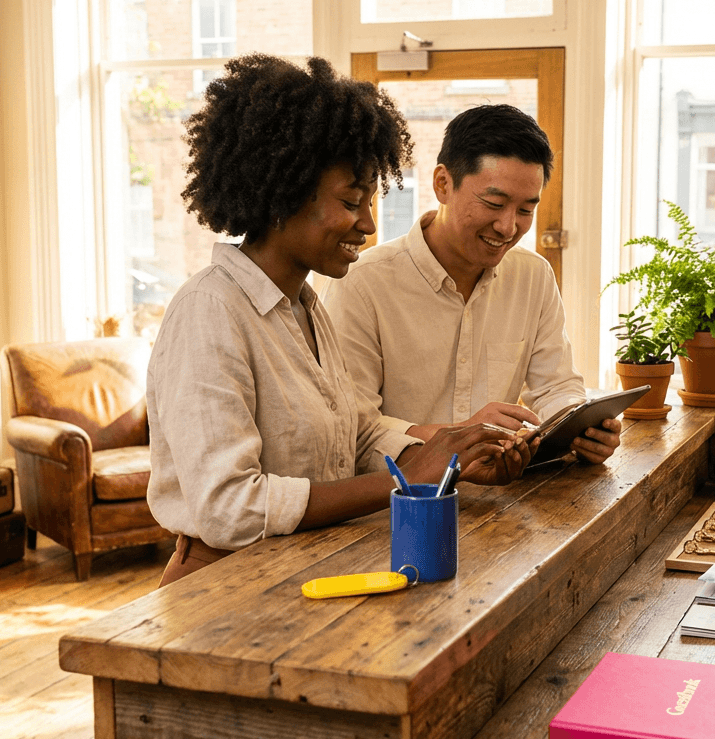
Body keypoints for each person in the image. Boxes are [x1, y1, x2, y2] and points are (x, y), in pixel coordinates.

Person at [147, 55, 531, 588]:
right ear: (282, 195)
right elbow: (230, 507)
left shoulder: (306, 308)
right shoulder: (209, 311)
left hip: (298, 575)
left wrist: (450, 457)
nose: (369, 224)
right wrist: (404, 484)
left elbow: (352, 436)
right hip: (218, 586)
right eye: (352, 202)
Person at [325, 104, 621, 464]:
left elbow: (555, 385)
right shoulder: (362, 283)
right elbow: (352, 427)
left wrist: (580, 426)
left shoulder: (533, 276)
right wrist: (460, 438)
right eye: (494, 203)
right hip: (399, 503)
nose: (509, 227)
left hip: (503, 498)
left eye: (526, 210)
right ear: (442, 184)